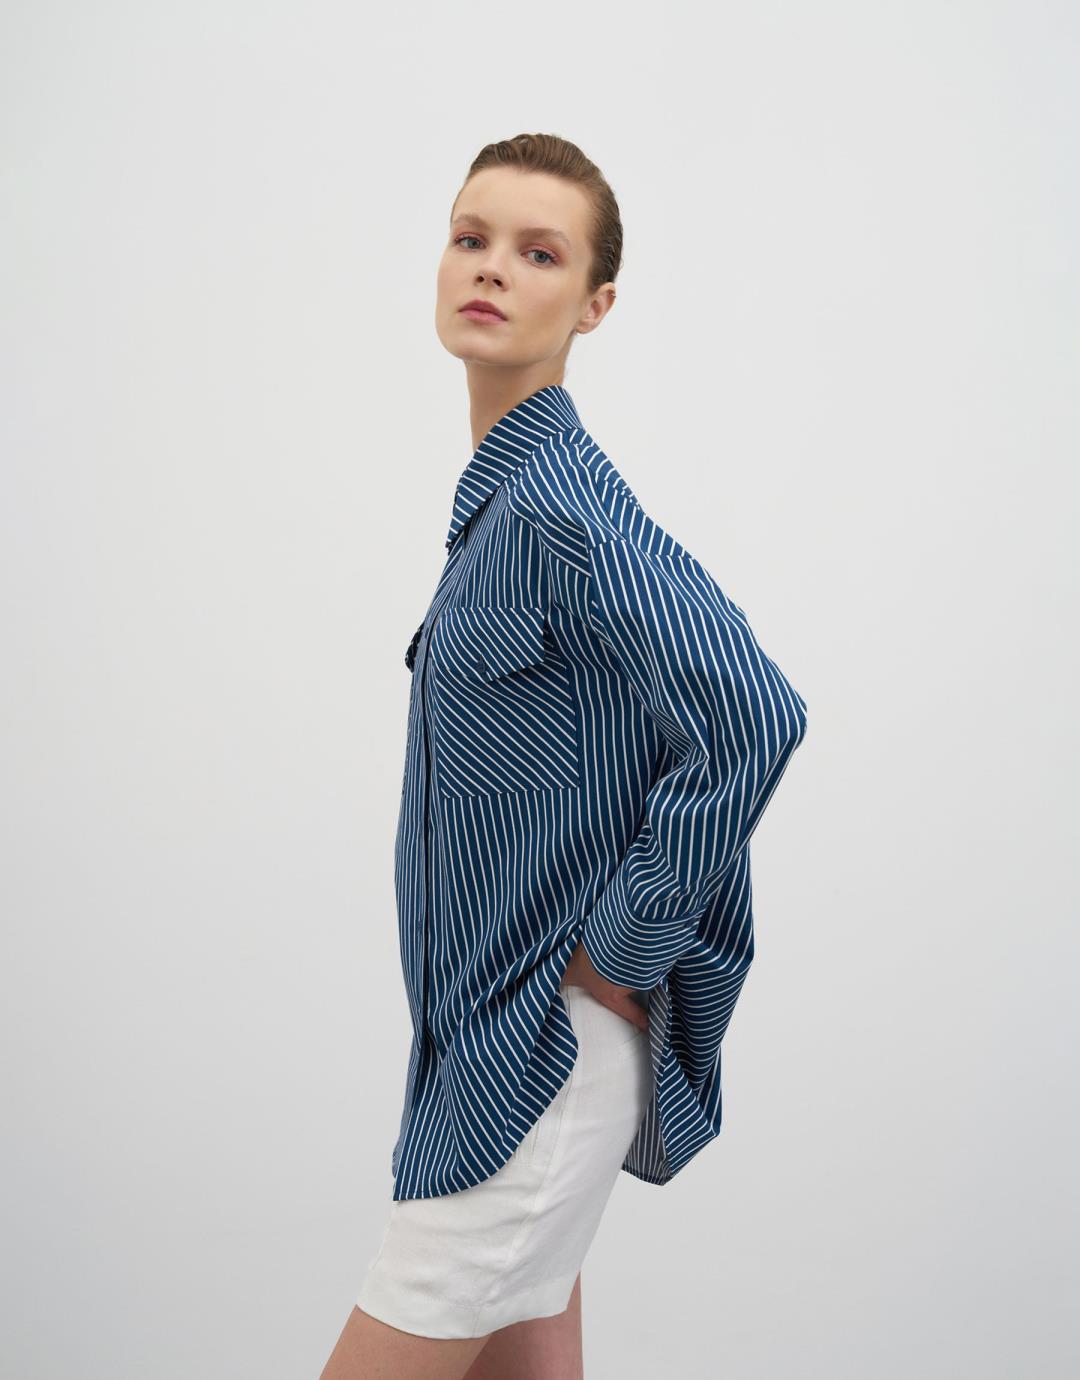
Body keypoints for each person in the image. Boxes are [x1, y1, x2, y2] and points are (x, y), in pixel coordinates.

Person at [320, 132, 808, 1380]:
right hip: (491, 1048)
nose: (490, 268)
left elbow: (756, 713)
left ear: (594, 304)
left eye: (539, 254)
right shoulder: (503, 506)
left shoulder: (555, 508)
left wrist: (622, 948)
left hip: (537, 1058)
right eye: (469, 238)